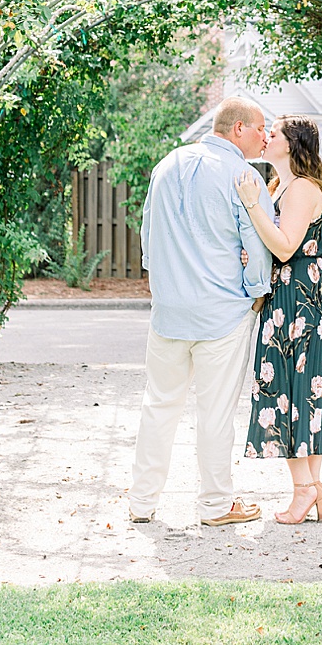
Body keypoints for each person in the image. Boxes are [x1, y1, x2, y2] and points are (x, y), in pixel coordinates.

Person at [126, 96, 276, 527]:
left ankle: (141, 503)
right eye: (261, 128)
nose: (266, 136)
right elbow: (258, 243)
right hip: (222, 314)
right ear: (239, 129)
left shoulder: (167, 165)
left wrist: (166, 285)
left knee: (159, 405)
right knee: (214, 413)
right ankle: (215, 505)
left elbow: (148, 235)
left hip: (169, 311)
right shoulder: (243, 175)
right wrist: (256, 293)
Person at [233, 114, 322, 524]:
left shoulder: (301, 189)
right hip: (297, 294)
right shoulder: (283, 186)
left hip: (298, 301)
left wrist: (252, 205)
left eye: (273, 133)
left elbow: (285, 245)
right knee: (304, 387)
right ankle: (314, 488)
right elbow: (272, 244)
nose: (265, 136)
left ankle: (304, 491)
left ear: (291, 145)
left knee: (291, 389)